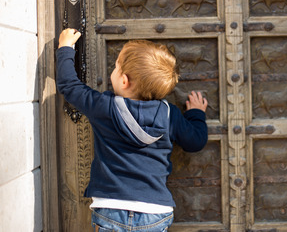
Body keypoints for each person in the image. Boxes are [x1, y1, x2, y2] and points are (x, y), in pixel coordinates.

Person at [56, 28, 208, 232]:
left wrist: (65, 48)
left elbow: (70, 87)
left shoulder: (104, 107)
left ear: (124, 80)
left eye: (116, 66)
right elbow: (195, 141)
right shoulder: (169, 114)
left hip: (110, 208)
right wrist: (196, 114)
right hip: (155, 210)